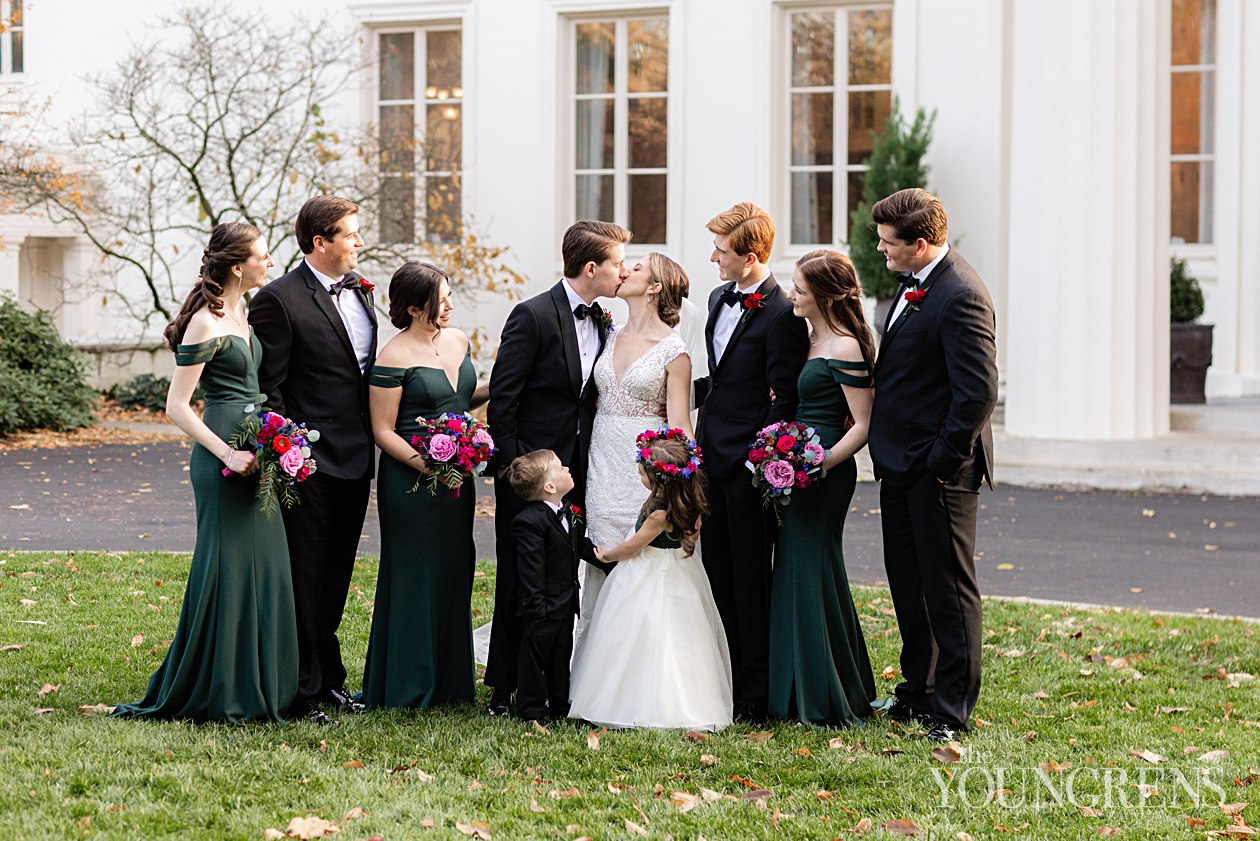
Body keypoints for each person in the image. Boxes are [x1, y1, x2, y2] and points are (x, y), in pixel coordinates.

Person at [114, 222, 298, 723]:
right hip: (222, 458)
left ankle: (263, 685)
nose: (271, 263)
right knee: (228, 571)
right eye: (263, 255)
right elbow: (176, 406)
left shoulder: (243, 310)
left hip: (258, 450)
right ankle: (220, 687)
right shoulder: (204, 322)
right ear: (238, 266)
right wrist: (227, 454)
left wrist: (273, 440)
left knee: (266, 567)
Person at [867, 188, 998, 743]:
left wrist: (940, 461)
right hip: (899, 465)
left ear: (921, 245)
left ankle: (950, 710)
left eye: (888, 243)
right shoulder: (914, 284)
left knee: (948, 591)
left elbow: (978, 393)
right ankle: (915, 693)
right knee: (909, 586)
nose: (880, 250)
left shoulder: (961, 294)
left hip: (938, 470)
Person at [484, 220, 628, 716]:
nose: (623, 271)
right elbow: (503, 403)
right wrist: (518, 475)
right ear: (592, 268)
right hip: (530, 477)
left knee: (563, 577)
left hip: (579, 474)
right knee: (522, 583)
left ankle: (557, 684)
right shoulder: (532, 316)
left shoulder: (606, 320)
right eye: (617, 263)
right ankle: (505, 689)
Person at [249, 196, 378, 724]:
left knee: (337, 577)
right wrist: (292, 454)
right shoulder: (277, 300)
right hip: (308, 462)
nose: (359, 243)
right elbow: (269, 388)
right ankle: (298, 689)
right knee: (305, 577)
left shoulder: (363, 294)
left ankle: (329, 681)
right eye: (350, 234)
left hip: (357, 457)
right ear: (319, 242)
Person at [694, 202, 808, 722]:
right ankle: (724, 676)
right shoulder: (719, 297)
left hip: (746, 470)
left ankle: (756, 694)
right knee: (716, 572)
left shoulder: (784, 314)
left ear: (752, 256)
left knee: (750, 582)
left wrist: (750, 462)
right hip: (709, 459)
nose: (713, 256)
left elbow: (782, 398)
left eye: (722, 249)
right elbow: (719, 379)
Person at [358, 263, 490, 709]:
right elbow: (383, 430)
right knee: (415, 575)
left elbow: (460, 398)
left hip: (459, 480)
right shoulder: (392, 358)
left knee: (455, 569)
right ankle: (409, 684)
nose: (450, 304)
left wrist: (506, 384)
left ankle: (452, 684)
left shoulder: (458, 341)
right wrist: (429, 464)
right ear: (415, 308)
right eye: (441, 299)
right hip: (412, 484)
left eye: (450, 295)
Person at [769, 250, 878, 727]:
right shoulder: (810, 337)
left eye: (799, 288)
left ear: (825, 295)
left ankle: (823, 692)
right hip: (794, 467)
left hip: (825, 472)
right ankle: (795, 687)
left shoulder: (848, 345)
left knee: (812, 566)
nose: (792, 294)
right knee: (796, 568)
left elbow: (862, 426)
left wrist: (818, 464)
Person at [569, 430, 732, 731]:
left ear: (659, 480)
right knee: (680, 635)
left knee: (648, 630)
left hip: (648, 572)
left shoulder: (659, 513)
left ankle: (646, 703)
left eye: (643, 474)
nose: (640, 478)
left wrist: (607, 556)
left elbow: (635, 546)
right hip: (681, 572)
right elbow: (691, 536)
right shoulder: (687, 502)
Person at [577, 252, 693, 644]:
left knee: (642, 558)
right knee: (598, 554)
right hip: (601, 460)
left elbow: (680, 427)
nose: (625, 271)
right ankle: (591, 658)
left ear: (655, 287)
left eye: (637, 269)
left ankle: (638, 657)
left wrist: (681, 491)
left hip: (643, 468)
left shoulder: (674, 351)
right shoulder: (607, 335)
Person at [504, 450, 600, 723]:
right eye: (560, 467)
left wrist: (605, 558)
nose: (567, 468)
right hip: (542, 605)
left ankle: (560, 707)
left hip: (566, 600)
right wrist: (538, 606)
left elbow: (577, 545)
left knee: (561, 656)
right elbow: (531, 569)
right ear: (549, 486)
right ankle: (531, 711)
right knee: (534, 658)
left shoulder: (567, 511)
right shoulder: (529, 521)